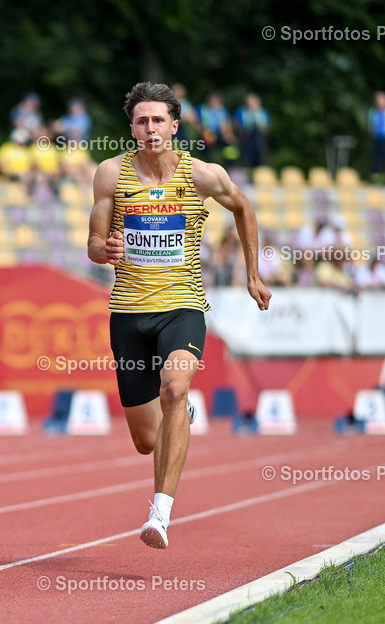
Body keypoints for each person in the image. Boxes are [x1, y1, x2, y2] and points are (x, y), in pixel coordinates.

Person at [88, 82, 271, 549]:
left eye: (158, 120)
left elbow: (244, 208)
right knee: (146, 441)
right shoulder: (110, 174)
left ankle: (160, 513)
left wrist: (252, 274)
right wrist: (103, 249)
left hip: (182, 306)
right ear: (131, 127)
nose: (150, 129)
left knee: (174, 387)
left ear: (174, 125)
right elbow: (92, 242)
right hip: (129, 313)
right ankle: (178, 414)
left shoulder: (201, 175)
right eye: (141, 121)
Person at [235, 93, 271, 168]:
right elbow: (236, 123)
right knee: (247, 155)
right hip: (246, 136)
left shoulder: (262, 111)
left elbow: (267, 125)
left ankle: (262, 167)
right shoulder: (242, 111)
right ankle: (247, 168)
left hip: (259, 137)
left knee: (261, 152)